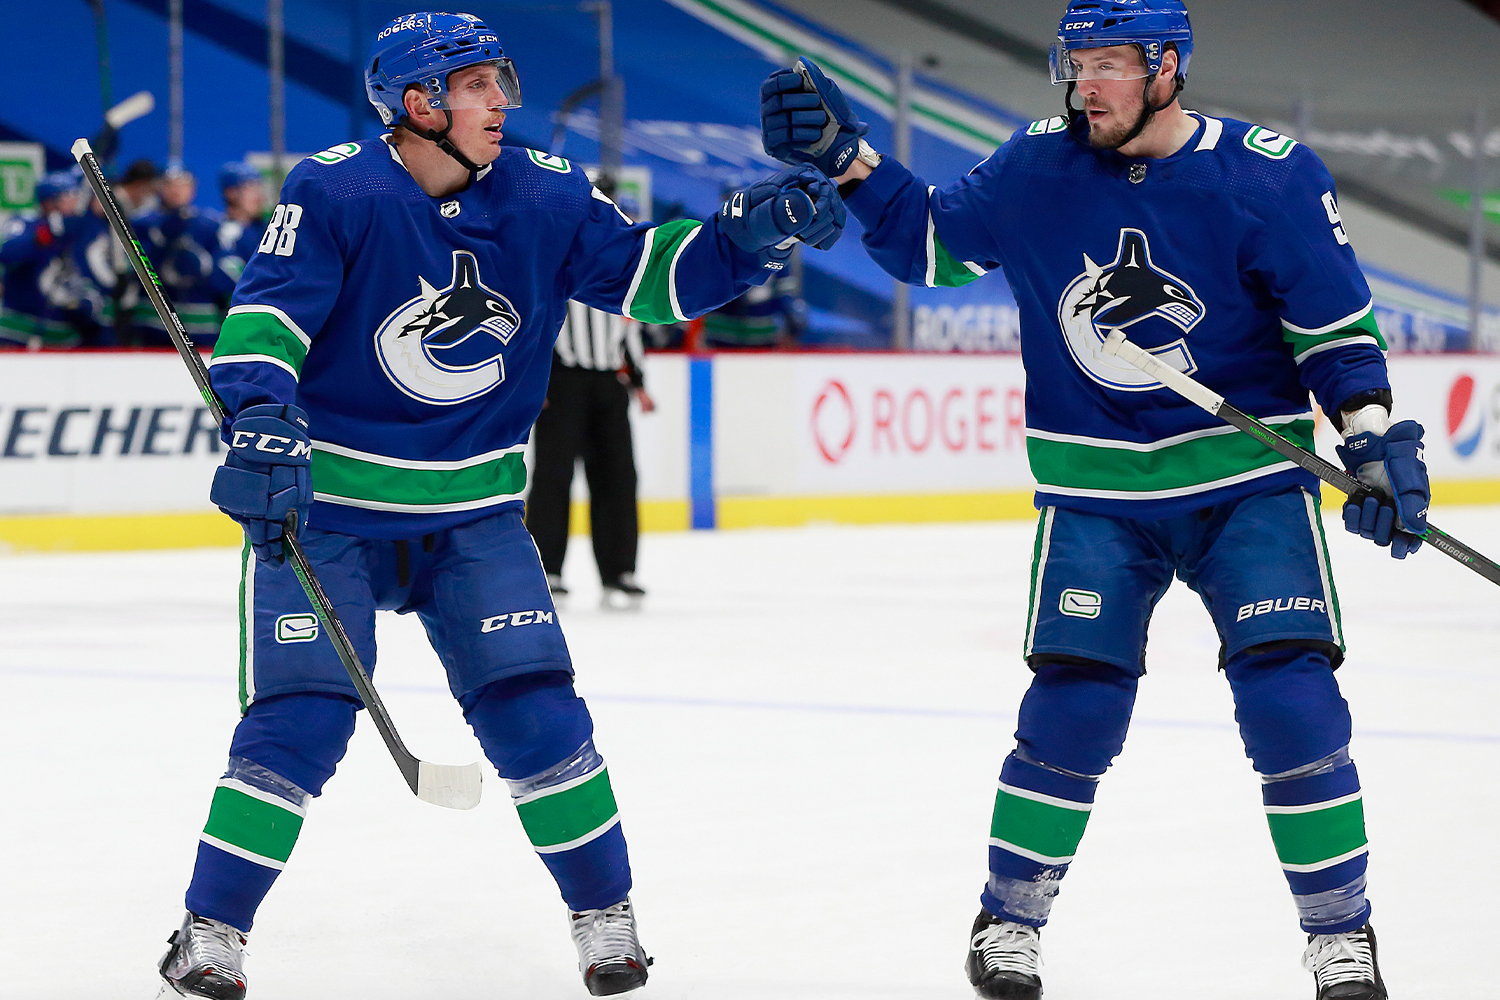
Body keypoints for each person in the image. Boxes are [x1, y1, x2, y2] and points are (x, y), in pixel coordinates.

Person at [155, 11, 844, 1000]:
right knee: (299, 720)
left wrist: (747, 238)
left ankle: (606, 916)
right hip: (333, 516)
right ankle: (210, 930)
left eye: (500, 83)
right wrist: (262, 417)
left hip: (474, 519)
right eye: (477, 86)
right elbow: (267, 318)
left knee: (537, 714)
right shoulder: (335, 187)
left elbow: (648, 278)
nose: (501, 103)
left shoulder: (547, 191)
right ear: (417, 102)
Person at [760, 3, 1427, 999]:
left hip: (1245, 487)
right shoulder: (1037, 167)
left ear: (1167, 68)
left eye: (1109, 65)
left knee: (1293, 703)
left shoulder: (1266, 173)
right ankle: (1008, 919)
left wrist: (1370, 443)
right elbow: (933, 246)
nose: (1086, 86)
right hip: (1096, 493)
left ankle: (1341, 931)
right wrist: (854, 160)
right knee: (1071, 708)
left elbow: (1333, 333)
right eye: (1075, 65)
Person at [526, 299, 654, 608]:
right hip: (563, 381)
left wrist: (638, 383)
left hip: (610, 382)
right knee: (553, 478)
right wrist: (534, 383)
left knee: (619, 478)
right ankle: (546, 570)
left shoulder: (619, 275)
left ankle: (620, 570)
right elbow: (538, 326)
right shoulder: (561, 270)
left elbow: (629, 327)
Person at [135, 167, 228, 346]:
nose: (176, 190)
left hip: (202, 322)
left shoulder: (210, 225)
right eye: (170, 185)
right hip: (155, 323)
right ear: (160, 187)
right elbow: (140, 269)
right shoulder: (143, 223)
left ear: (193, 188)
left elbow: (222, 272)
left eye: (183, 185)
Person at [0, 169, 86, 348]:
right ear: (50, 202)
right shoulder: (26, 223)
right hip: (19, 326)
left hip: (61, 330)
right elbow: (7, 253)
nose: (76, 200)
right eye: (69, 195)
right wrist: (45, 234)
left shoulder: (77, 228)